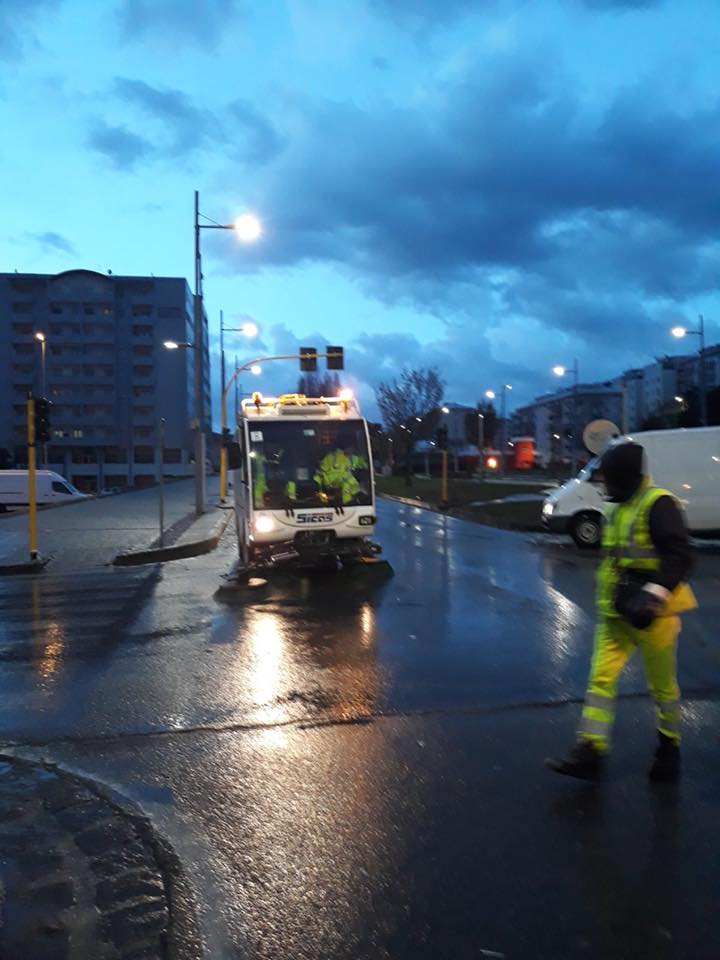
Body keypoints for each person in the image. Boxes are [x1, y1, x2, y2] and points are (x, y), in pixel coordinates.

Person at [546, 441, 695, 782]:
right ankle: (590, 750)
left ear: (626, 478)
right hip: (616, 613)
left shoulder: (658, 504)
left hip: (654, 616)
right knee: (600, 679)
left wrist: (653, 596)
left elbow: (680, 556)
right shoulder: (617, 506)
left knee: (662, 688)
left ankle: (669, 747)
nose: (604, 487)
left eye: (609, 480)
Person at [314, 430, 368, 506]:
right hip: (331, 498)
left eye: (353, 446)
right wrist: (317, 488)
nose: (353, 449)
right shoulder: (331, 458)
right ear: (345, 446)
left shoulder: (354, 458)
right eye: (351, 446)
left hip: (350, 504)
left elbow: (366, 467)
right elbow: (319, 475)